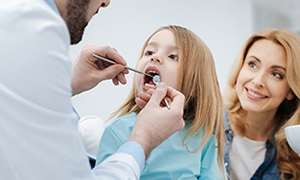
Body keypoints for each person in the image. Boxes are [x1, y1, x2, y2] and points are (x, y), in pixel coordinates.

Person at [0, 0, 185, 179]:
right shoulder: (31, 31)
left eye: (173, 56)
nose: (106, 2)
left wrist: (69, 83)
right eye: (149, 52)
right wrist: (144, 138)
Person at [96, 25, 226, 179]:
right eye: (149, 52)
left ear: (195, 86)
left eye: (173, 56)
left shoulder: (202, 136)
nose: (155, 57)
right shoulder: (118, 131)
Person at [223, 29, 300, 180]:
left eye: (276, 74)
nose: (258, 81)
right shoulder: (206, 128)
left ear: (291, 90)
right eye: (252, 64)